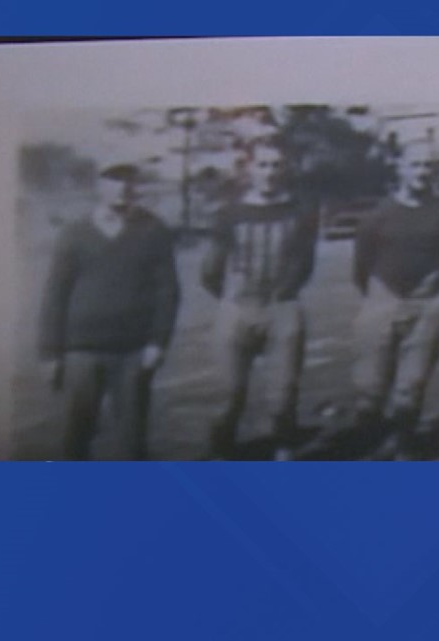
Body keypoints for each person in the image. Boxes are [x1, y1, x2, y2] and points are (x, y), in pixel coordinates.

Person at [38, 158, 181, 461]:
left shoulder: (154, 231)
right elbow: (55, 295)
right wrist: (50, 352)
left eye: (129, 179)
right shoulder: (74, 233)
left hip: (134, 351)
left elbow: (168, 291)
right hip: (82, 351)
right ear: (98, 185)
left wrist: (158, 342)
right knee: (76, 432)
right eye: (113, 179)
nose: (123, 187)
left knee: (131, 438)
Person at [200, 135, 319, 461]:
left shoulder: (301, 210)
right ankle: (221, 455)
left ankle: (282, 453)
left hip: (282, 307)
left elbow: (305, 263)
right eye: (263, 165)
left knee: (282, 396)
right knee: (227, 397)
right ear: (249, 168)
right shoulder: (229, 213)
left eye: (277, 165)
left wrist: (283, 294)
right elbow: (209, 270)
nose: (270, 172)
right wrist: (233, 299)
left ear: (286, 169)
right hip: (237, 308)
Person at [350, 137, 439, 460]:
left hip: (426, 305)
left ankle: (403, 447)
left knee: (410, 387)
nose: (422, 172)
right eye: (415, 164)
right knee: (369, 387)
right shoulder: (378, 215)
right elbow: (361, 266)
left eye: (428, 165)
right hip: (382, 301)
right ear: (400, 167)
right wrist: (378, 299)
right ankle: (367, 447)